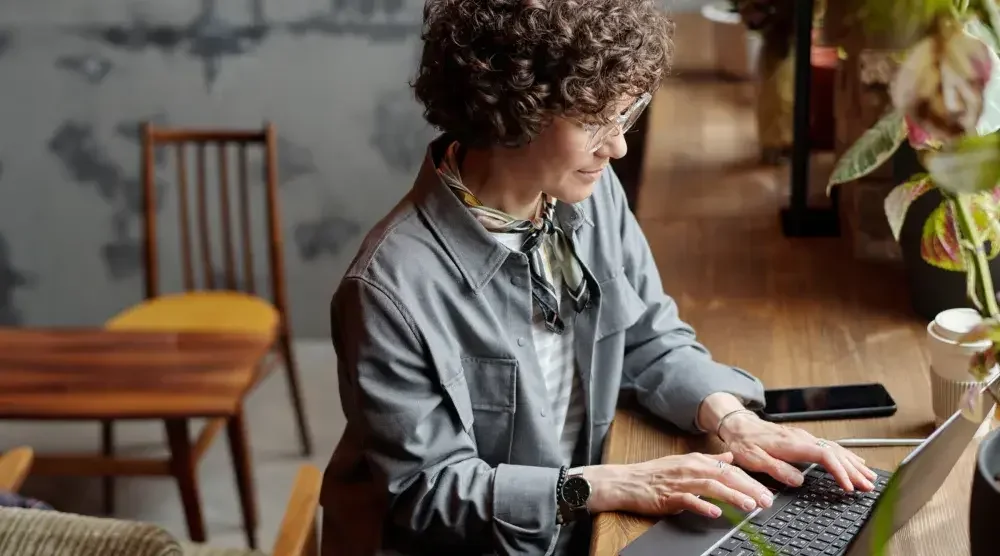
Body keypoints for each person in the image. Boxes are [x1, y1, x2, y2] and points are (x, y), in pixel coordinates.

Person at [320, 1, 876, 554]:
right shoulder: (388, 288)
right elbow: (429, 492)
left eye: (625, 115)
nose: (618, 147)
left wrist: (733, 420)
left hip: (581, 530)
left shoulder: (589, 195)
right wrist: (613, 483)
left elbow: (647, 337)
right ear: (515, 108)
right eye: (595, 121)